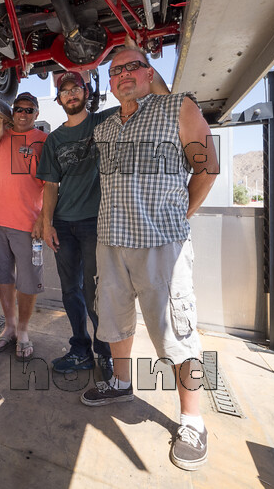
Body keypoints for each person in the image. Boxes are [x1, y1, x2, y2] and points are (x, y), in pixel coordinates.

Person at [81, 48, 218, 472]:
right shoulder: (104, 128)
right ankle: (122, 383)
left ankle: (192, 421)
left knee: (178, 331)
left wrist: (181, 214)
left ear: (149, 73)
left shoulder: (178, 106)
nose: (123, 74)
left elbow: (207, 168)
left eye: (132, 66)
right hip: (112, 242)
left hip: (163, 247)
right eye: (114, 69)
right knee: (115, 321)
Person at [38, 68, 169, 381]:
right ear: (58, 99)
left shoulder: (105, 121)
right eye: (64, 90)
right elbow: (50, 187)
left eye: (76, 88)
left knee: (98, 293)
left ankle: (105, 352)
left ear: (86, 93)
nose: (71, 94)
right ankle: (80, 349)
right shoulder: (54, 140)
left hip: (97, 224)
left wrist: (141, 66)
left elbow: (146, 99)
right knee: (71, 292)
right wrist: (46, 224)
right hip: (64, 226)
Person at [0, 92, 47, 361]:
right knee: (3, 278)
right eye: (19, 109)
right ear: (13, 112)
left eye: (29, 109)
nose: (23, 114)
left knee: (29, 280)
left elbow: (52, 184)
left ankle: (24, 331)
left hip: (30, 225)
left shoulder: (44, 141)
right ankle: (10, 327)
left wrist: (44, 219)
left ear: (36, 114)